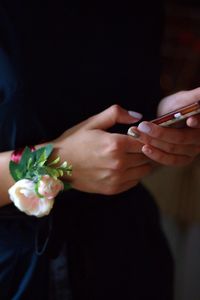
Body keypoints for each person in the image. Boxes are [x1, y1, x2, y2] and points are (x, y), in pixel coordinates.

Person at [1, 0, 200, 299]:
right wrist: (57, 162)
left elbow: (120, 125)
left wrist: (160, 130)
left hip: (128, 257)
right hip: (14, 272)